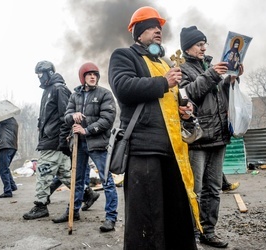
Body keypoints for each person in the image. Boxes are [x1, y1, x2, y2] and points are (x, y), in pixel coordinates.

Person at [108, 6, 199, 249]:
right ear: (138, 33)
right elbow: (123, 88)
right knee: (146, 216)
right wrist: (163, 82)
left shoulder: (165, 62)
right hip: (144, 148)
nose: (157, 30)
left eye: (159, 27)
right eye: (150, 26)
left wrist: (185, 109)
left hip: (173, 149)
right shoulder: (124, 56)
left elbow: (172, 97)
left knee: (177, 213)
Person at [179, 25, 244, 248]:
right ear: (187, 46)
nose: (204, 47)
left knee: (213, 189)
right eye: (199, 43)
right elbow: (189, 95)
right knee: (195, 190)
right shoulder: (182, 69)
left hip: (218, 135)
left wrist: (230, 80)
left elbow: (217, 97)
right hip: (198, 139)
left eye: (204, 43)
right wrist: (214, 74)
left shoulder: (210, 66)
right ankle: (193, 234)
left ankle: (209, 231)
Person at [53, 62, 118, 233]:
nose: (92, 77)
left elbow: (108, 118)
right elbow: (66, 116)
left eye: (95, 74)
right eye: (89, 74)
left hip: (97, 143)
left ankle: (111, 217)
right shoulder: (75, 96)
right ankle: (73, 212)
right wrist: (72, 116)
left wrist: (86, 129)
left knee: (107, 181)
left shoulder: (105, 94)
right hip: (78, 144)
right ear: (83, 77)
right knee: (77, 180)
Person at [23, 60, 74, 220]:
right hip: (50, 139)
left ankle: (40, 205)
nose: (39, 77)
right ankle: (87, 194)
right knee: (65, 173)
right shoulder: (49, 90)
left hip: (54, 140)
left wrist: (62, 140)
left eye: (40, 73)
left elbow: (66, 116)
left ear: (49, 73)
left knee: (43, 172)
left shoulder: (58, 89)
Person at [0, 115, 19, 198]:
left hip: (5, 146)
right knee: (6, 168)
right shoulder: (14, 120)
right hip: (13, 146)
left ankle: (7, 191)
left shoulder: (4, 118)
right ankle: (12, 186)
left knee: (3, 170)